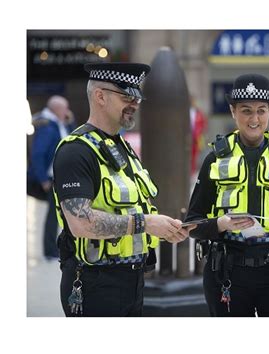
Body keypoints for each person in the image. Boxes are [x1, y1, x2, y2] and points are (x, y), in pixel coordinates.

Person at [53, 62, 192, 317]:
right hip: (95, 283)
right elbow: (80, 224)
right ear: (100, 96)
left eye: (137, 97)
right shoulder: (76, 151)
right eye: (127, 96)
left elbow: (132, 209)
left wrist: (164, 229)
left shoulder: (122, 149)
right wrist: (146, 224)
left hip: (133, 280)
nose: (135, 104)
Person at [185, 73, 269, 316]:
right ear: (233, 111)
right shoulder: (216, 157)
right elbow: (194, 223)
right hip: (227, 272)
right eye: (246, 111)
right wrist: (221, 224)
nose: (254, 119)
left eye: (261, 111)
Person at [27, 95, 75, 260]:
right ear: (57, 109)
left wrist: (69, 121)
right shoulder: (47, 126)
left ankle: (57, 249)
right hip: (50, 178)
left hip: (60, 176)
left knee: (60, 215)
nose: (67, 111)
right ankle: (50, 251)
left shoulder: (58, 123)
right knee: (53, 217)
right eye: (65, 108)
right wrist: (43, 179)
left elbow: (71, 139)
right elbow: (38, 154)